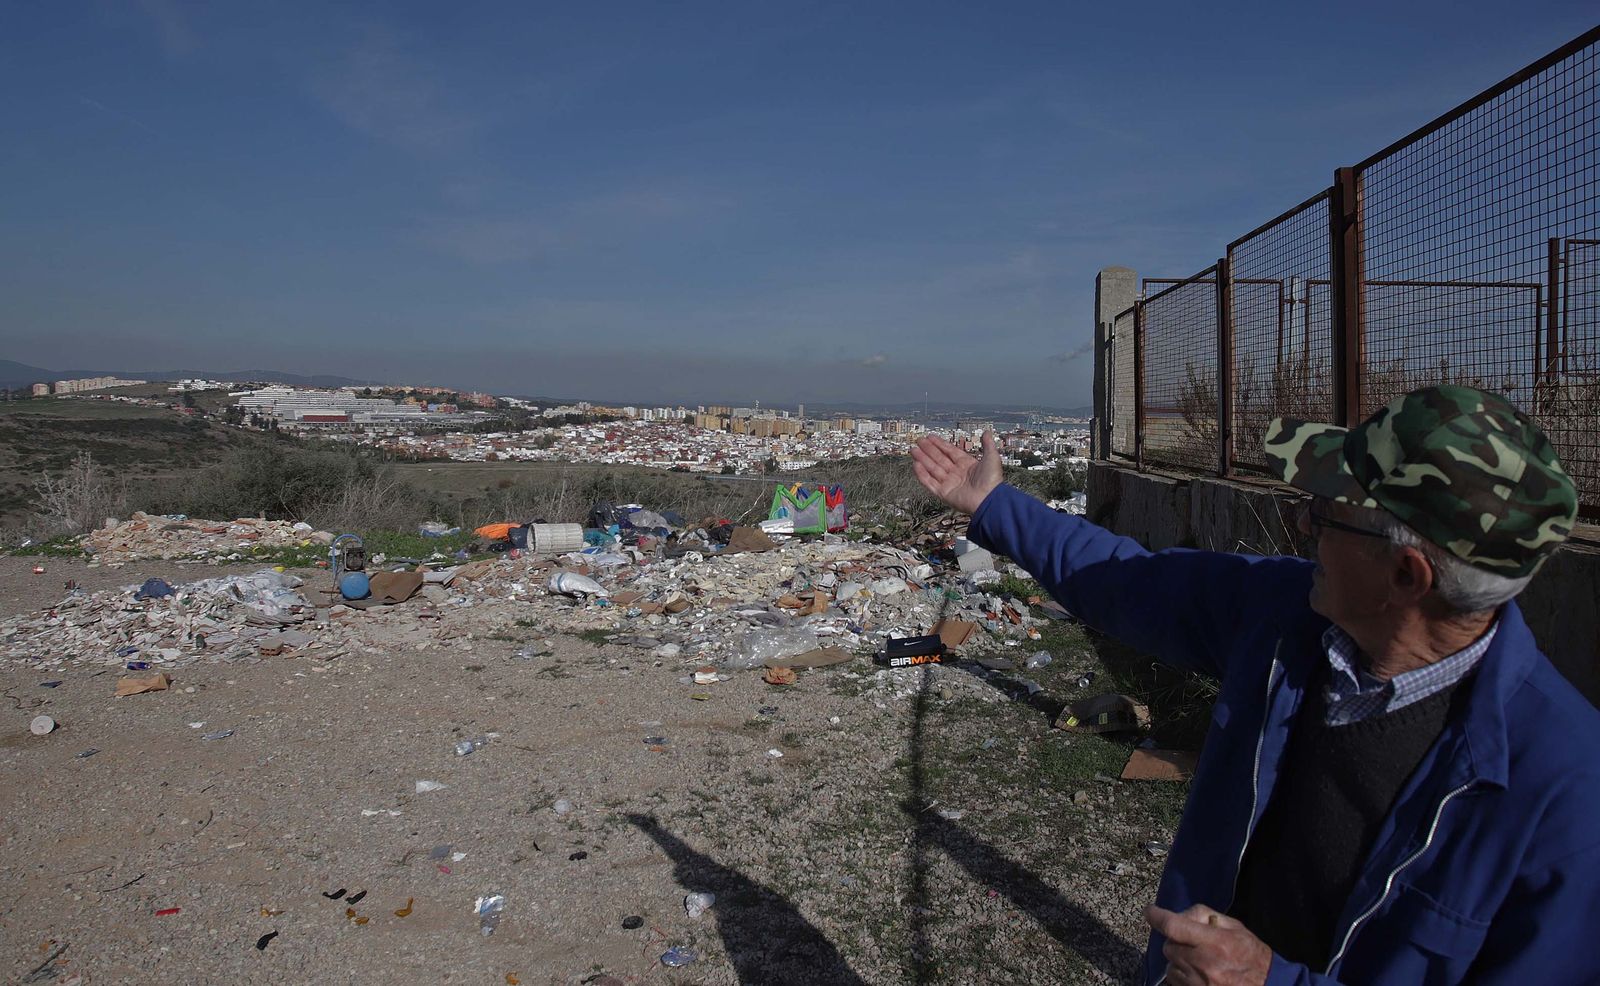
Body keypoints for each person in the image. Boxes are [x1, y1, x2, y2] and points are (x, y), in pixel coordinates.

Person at [910, 385, 1600, 985]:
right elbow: (1126, 582)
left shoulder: (1565, 797)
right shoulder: (1284, 619)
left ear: (1406, 577)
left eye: (1325, 515)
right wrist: (994, 503)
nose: (1302, 526)